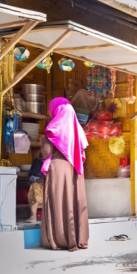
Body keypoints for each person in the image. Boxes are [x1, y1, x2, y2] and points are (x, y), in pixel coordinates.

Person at [40, 97, 90, 251]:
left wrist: (40, 151)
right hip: (75, 170)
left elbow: (46, 151)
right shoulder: (77, 130)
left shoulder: (54, 127)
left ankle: (59, 239)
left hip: (58, 170)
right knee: (74, 201)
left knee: (59, 201)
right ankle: (79, 239)